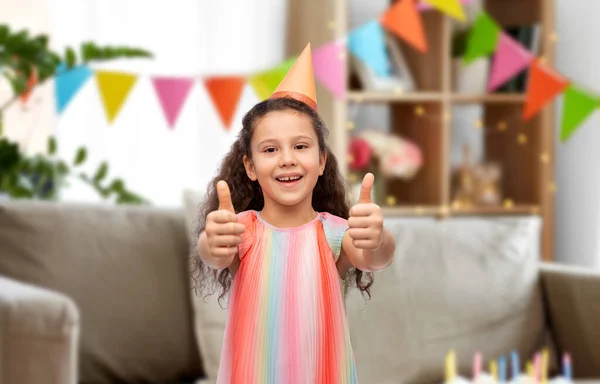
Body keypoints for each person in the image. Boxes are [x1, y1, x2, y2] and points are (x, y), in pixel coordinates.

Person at [192, 43, 396, 384]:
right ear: (251, 166)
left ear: (321, 160)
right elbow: (213, 253)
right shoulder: (241, 231)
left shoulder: (336, 233)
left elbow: (373, 256)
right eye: (270, 149)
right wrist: (212, 241)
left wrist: (378, 238)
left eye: (300, 146)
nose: (287, 158)